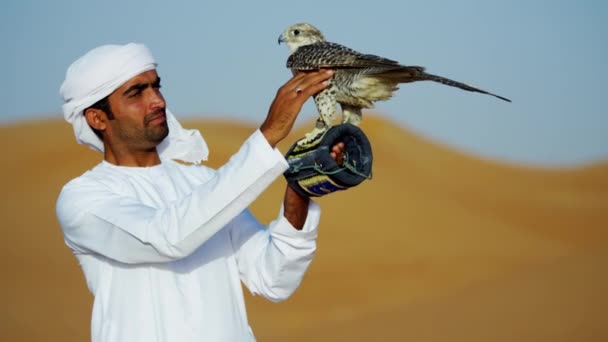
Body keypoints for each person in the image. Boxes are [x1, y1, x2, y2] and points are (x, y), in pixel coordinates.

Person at [56, 43, 341, 342]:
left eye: (157, 86)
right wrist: (268, 135)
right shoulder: (83, 200)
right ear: (97, 119)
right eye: (136, 92)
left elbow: (273, 278)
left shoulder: (202, 182)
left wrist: (301, 186)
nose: (157, 101)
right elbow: (168, 237)